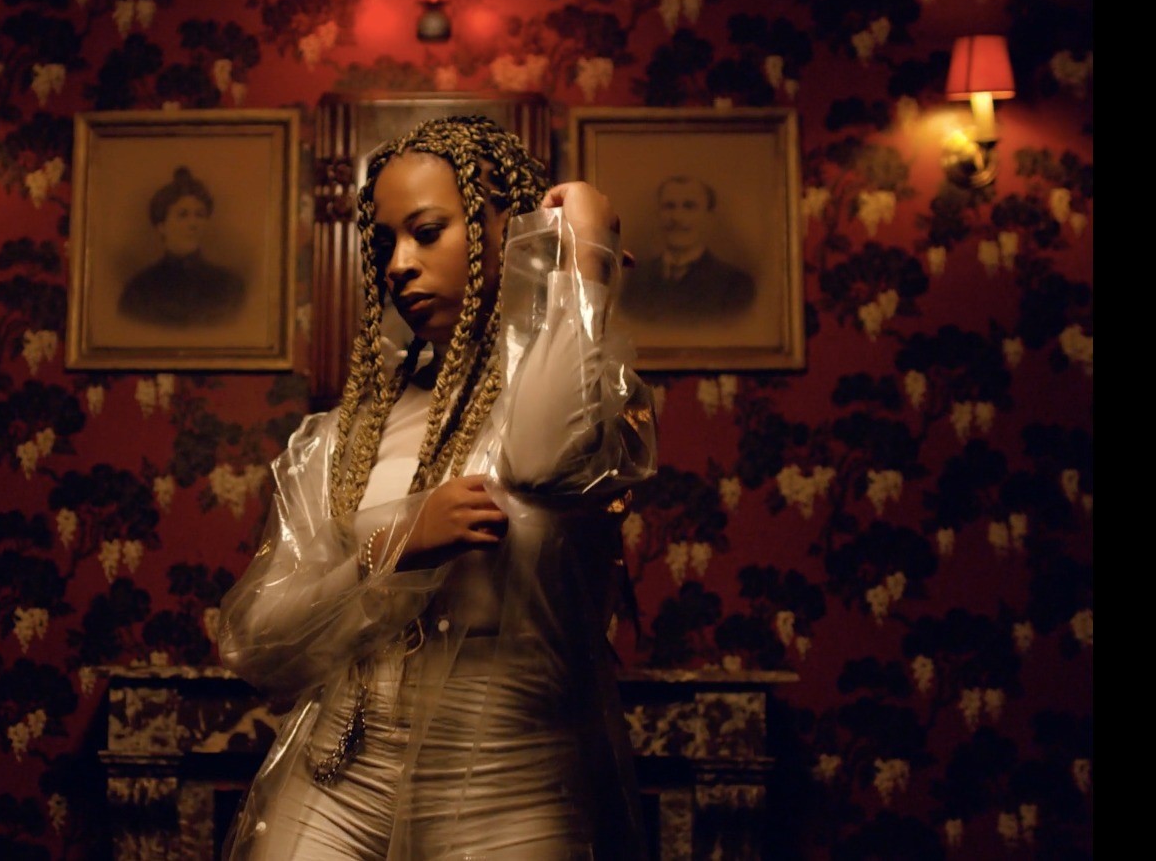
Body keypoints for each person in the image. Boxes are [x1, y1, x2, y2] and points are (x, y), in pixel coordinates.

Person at [216, 115, 658, 860]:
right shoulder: (343, 436)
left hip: (506, 791)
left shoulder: (589, 395)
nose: (398, 265)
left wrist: (583, 257)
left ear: (509, 229)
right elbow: (258, 641)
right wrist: (397, 542)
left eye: (426, 232)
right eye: (384, 243)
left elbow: (543, 459)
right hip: (337, 781)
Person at [617, 173, 755, 323]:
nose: (677, 217)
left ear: (709, 217)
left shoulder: (735, 285)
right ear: (658, 214)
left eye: (689, 207)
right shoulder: (636, 279)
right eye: (669, 206)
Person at [118, 165, 245, 326]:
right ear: (161, 226)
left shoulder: (229, 286)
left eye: (199, 215)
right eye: (182, 215)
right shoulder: (139, 290)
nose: (193, 224)